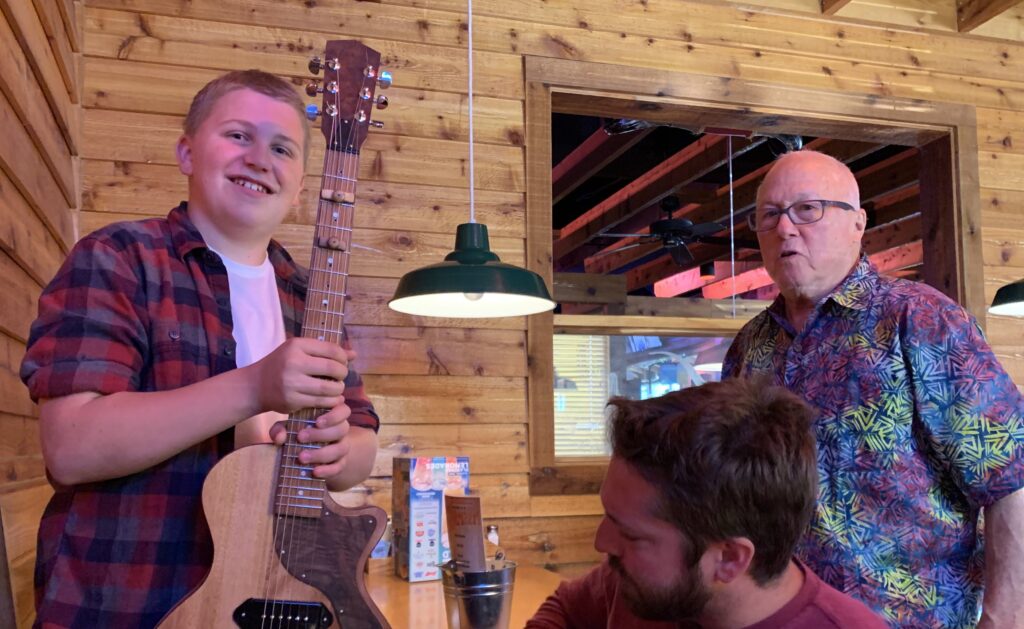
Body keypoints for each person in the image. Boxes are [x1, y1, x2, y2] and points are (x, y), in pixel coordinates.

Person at [20, 69, 380, 628]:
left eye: (281, 148)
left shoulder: (313, 296)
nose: (259, 159)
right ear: (187, 153)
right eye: (238, 136)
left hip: (280, 602)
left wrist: (339, 450)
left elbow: (360, 443)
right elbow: (70, 448)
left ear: (300, 189)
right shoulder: (119, 258)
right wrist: (255, 387)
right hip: (131, 604)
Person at [723, 149, 1024, 628]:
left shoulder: (919, 319)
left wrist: (1004, 620)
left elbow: (1011, 479)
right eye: (769, 215)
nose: (785, 228)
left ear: (857, 223)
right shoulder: (749, 347)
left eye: (807, 209)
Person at [526, 378, 886, 629]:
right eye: (610, 516)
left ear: (729, 558)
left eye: (632, 535)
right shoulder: (634, 582)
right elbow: (566, 609)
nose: (601, 543)